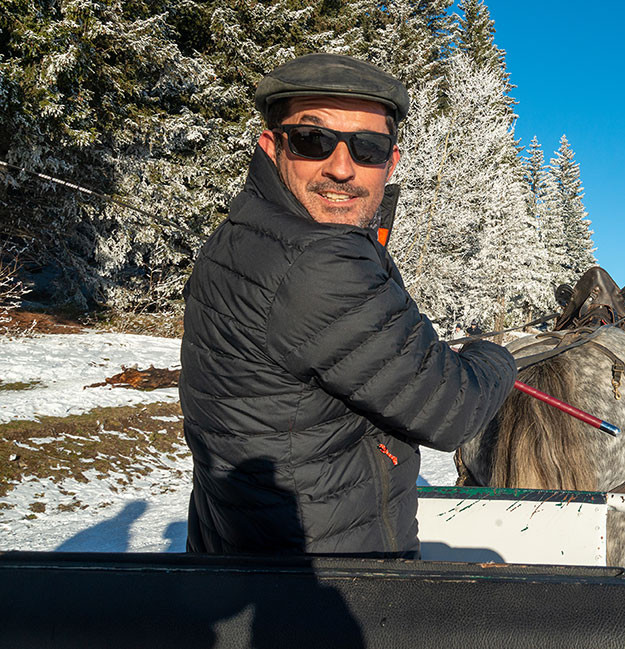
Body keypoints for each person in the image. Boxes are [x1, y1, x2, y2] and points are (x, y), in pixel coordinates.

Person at [180, 53, 516, 556]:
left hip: (240, 553)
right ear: (273, 147)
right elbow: (454, 409)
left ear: (391, 161)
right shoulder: (318, 261)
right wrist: (496, 356)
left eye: (367, 148)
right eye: (313, 141)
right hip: (335, 582)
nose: (341, 168)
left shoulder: (242, 233)